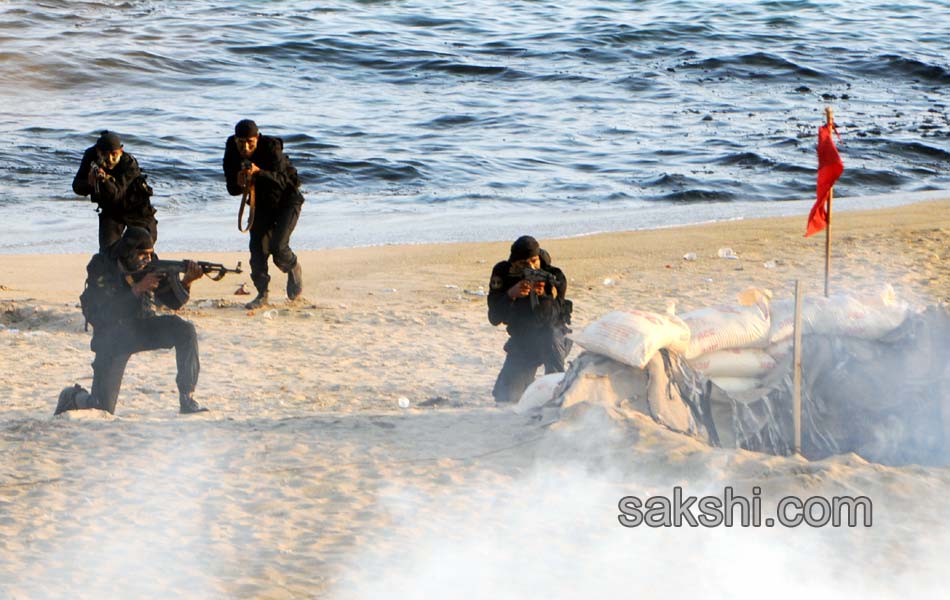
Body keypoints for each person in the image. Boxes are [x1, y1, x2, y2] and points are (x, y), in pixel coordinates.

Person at [55, 227, 208, 415]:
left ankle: (187, 398)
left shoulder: (150, 267)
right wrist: (137, 290)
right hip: (112, 337)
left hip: (142, 328)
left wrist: (187, 281)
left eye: (150, 255)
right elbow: (102, 313)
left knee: (185, 331)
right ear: (128, 253)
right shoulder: (102, 267)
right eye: (142, 255)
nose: (148, 260)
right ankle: (72, 397)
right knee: (102, 408)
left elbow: (173, 302)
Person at [222, 119, 304, 309]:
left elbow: (284, 182)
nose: (246, 147)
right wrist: (239, 181)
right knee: (257, 251)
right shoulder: (231, 151)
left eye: (250, 143)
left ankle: (293, 267)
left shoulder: (271, 148)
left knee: (278, 248)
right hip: (261, 204)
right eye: (241, 143)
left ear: (257, 138)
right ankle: (262, 294)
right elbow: (232, 189)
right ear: (235, 140)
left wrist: (259, 173)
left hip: (287, 201)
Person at [487, 235, 573, 404]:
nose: (532, 267)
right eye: (524, 264)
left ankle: (558, 395)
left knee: (550, 340)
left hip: (554, 340)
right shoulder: (503, 274)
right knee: (506, 397)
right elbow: (494, 318)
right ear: (514, 264)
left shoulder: (552, 275)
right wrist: (511, 294)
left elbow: (557, 316)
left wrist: (544, 296)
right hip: (524, 341)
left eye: (535, 261)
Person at [72, 130, 158, 251]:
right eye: (105, 154)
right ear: (98, 152)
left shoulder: (129, 163)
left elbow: (116, 194)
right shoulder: (90, 157)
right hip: (112, 210)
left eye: (114, 154)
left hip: (137, 209)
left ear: (121, 151)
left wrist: (103, 180)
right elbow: (76, 186)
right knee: (107, 255)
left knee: (143, 248)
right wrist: (90, 183)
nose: (110, 159)